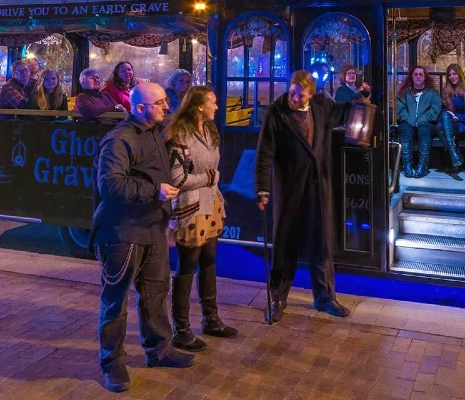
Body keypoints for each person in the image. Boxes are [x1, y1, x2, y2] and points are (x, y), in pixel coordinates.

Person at [92, 82, 193, 393]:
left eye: (165, 102)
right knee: (116, 301)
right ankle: (113, 362)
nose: (166, 107)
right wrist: (154, 191)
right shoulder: (120, 139)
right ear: (139, 108)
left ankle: (159, 349)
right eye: (160, 103)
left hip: (152, 227)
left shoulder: (152, 132)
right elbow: (109, 186)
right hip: (124, 232)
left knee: (155, 292)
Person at [254, 70, 369, 323]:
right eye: (292, 92)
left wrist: (360, 97)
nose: (293, 98)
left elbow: (343, 110)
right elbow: (265, 152)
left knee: (322, 242)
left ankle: (325, 297)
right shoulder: (277, 111)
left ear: (311, 94)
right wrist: (262, 188)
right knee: (285, 242)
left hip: (318, 184)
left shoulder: (321, 106)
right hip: (290, 186)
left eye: (299, 95)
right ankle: (278, 298)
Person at [165, 86, 238, 352]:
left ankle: (211, 320)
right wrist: (209, 179)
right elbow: (176, 178)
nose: (217, 107)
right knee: (187, 265)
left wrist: (216, 191)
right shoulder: (179, 135)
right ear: (198, 106)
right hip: (190, 208)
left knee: (208, 262)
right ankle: (181, 329)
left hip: (211, 204)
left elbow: (212, 168)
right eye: (213, 102)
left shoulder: (210, 130)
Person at [396, 65, 442, 179]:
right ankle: (407, 165)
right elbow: (399, 108)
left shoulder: (433, 93)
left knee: (424, 133)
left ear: (425, 77)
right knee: (405, 133)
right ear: (411, 77)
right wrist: (409, 119)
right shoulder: (404, 93)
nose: (418, 76)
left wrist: (422, 119)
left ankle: (423, 166)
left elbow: (436, 108)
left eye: (420, 74)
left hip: (426, 123)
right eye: (415, 74)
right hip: (407, 122)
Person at [438, 63, 465, 173]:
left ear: (460, 74)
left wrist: (457, 118)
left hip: (464, 125)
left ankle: (455, 155)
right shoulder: (446, 92)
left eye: (454, 74)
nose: (452, 77)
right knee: (442, 119)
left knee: (440, 127)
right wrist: (450, 116)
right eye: (449, 75)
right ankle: (455, 154)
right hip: (450, 123)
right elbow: (443, 110)